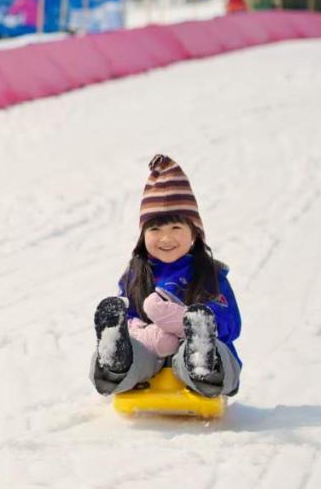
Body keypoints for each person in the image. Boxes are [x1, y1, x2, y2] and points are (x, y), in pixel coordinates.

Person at [90, 155, 242, 399]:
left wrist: (186, 323)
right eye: (155, 229)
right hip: (150, 361)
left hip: (193, 356)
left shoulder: (209, 274)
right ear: (143, 235)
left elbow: (230, 323)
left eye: (176, 228)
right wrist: (139, 330)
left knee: (196, 353)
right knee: (135, 352)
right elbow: (127, 315)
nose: (165, 238)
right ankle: (113, 366)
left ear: (194, 233)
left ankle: (204, 362)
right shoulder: (134, 275)